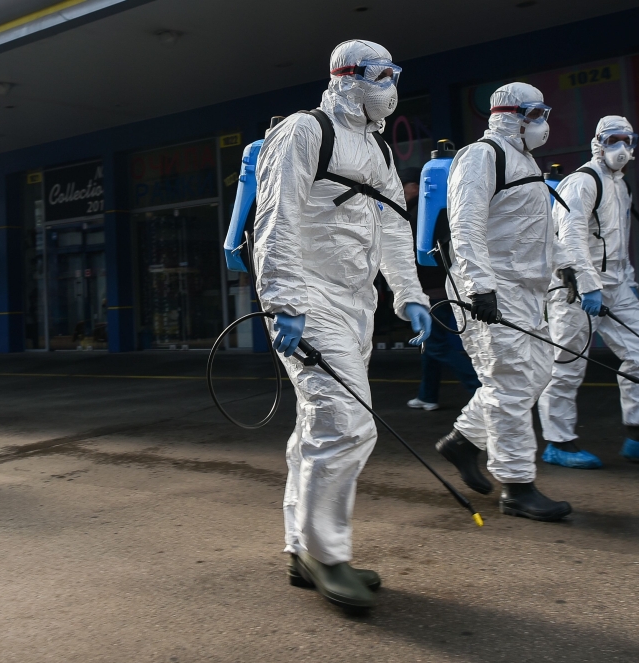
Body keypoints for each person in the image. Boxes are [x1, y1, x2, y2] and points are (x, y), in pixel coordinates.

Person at [252, 39, 431, 611]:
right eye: (381, 75)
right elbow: (275, 218)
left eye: (394, 74)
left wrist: (409, 293)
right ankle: (327, 556)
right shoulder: (305, 131)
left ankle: (300, 547)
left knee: (319, 425)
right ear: (348, 78)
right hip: (308, 300)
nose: (390, 86)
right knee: (347, 423)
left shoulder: (376, 147)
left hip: (356, 304)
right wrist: (285, 301)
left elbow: (394, 225)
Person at [435, 82, 577, 522]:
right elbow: (465, 225)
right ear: (511, 116)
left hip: (527, 291)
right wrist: (480, 287)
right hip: (492, 288)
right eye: (535, 114)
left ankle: (462, 441)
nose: (543, 123)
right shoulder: (482, 156)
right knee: (511, 384)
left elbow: (535, 228)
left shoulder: (525, 161)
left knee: (537, 373)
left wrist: (565, 265)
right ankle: (517, 486)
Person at [537, 116, 639, 468]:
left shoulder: (621, 186)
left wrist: (628, 284)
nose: (621, 148)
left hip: (617, 286)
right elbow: (570, 239)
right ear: (597, 143)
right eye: (612, 140)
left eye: (627, 139)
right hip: (575, 290)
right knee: (566, 365)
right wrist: (588, 285)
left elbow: (619, 244)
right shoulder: (581, 182)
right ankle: (559, 442)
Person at [399, 166, 481, 411]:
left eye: (403, 187)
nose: (400, 192)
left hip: (432, 293)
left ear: (416, 187)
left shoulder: (418, 217)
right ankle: (428, 395)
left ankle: (480, 390)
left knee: (437, 346)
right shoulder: (433, 212)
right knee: (430, 345)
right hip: (439, 290)